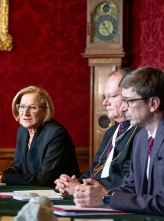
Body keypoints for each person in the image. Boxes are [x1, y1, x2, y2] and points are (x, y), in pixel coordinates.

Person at [73, 66, 164, 221]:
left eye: (129, 101)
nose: (123, 107)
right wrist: (93, 193)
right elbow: (130, 187)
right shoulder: (141, 136)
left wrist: (107, 198)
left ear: (153, 103)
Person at [54, 68, 139, 196]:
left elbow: (127, 177)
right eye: (105, 96)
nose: (105, 102)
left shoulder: (142, 131)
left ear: (129, 96)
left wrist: (80, 188)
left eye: (112, 96)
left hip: (115, 197)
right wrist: (73, 182)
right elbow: (96, 171)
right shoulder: (111, 132)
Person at [0, 86, 80, 187]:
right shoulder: (23, 131)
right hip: (36, 192)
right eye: (22, 106)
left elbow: (44, 178)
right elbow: (18, 166)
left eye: (32, 107)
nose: (25, 113)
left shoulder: (56, 133)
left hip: (62, 194)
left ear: (45, 111)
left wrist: (4, 178)